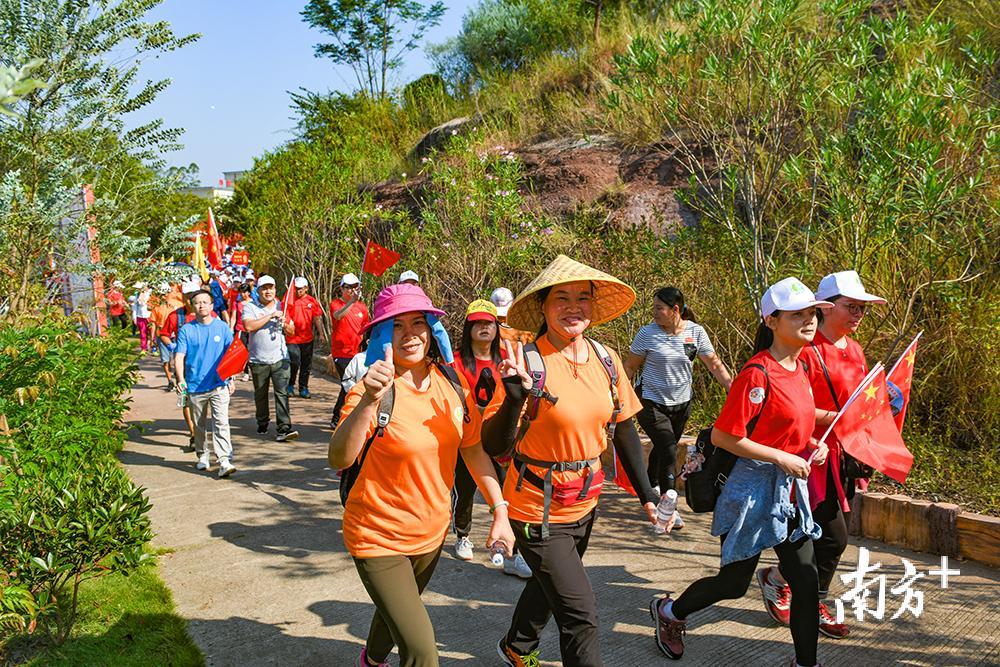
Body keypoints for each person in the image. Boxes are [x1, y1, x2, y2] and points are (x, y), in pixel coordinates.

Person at [482, 255, 659, 667]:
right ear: (543, 306)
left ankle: (517, 646)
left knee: (551, 585)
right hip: (536, 508)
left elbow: (624, 428)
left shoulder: (606, 359)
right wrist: (514, 399)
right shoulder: (526, 362)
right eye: (561, 298)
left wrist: (646, 495)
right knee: (581, 615)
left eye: (583, 297)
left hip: (584, 502)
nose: (573, 307)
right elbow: (493, 444)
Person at [329, 283, 514, 667]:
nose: (410, 333)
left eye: (418, 322)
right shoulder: (372, 389)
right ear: (382, 334)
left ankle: (370, 661)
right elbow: (339, 457)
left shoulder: (451, 383)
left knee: (397, 612)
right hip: (377, 535)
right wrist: (368, 400)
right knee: (422, 650)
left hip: (430, 535)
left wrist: (500, 510)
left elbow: (472, 448)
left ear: (432, 330)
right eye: (397, 325)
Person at [650, 277, 832, 667]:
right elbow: (725, 436)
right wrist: (781, 458)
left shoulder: (800, 367)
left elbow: (792, 427)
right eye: (797, 314)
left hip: (788, 494)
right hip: (750, 491)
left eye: (813, 313)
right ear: (771, 321)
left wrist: (813, 445)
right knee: (733, 584)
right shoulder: (757, 374)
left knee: (805, 580)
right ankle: (670, 612)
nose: (809, 320)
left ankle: (806, 662)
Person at [754, 270, 886, 642]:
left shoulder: (855, 349)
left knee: (829, 536)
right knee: (832, 538)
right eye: (850, 306)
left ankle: (781, 580)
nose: (858, 314)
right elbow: (791, 404)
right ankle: (809, 601)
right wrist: (832, 421)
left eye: (862, 308)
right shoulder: (807, 350)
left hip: (845, 455)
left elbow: (861, 401)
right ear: (825, 308)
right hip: (809, 455)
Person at [624, 287, 732, 525]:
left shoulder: (696, 332)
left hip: (682, 404)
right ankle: (668, 508)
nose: (654, 313)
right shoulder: (647, 334)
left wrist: (733, 390)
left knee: (665, 448)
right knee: (670, 450)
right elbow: (630, 366)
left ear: (675, 310)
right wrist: (618, 395)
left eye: (659, 308)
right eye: (653, 308)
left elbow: (714, 364)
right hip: (650, 401)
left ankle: (651, 483)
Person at [450, 299, 532, 579]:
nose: (484, 327)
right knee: (465, 489)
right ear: (468, 328)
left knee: (509, 494)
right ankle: (463, 535)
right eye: (478, 323)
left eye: (489, 323)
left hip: (502, 439)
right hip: (469, 437)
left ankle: (512, 552)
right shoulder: (456, 362)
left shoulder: (507, 360)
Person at [174, 289, 237, 477]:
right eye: (197, 303)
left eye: (205, 302)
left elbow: (231, 354)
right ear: (192, 306)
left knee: (221, 422)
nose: (201, 305)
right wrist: (181, 380)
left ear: (211, 305)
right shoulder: (187, 330)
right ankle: (202, 455)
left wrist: (231, 378)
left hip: (219, 384)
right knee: (199, 424)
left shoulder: (222, 328)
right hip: (195, 386)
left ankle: (224, 460)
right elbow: (179, 356)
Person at [243, 275, 300, 443]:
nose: (268, 291)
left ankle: (284, 428)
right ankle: (262, 422)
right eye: (264, 288)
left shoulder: (283, 306)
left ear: (275, 289)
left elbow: (292, 331)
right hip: (258, 360)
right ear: (258, 290)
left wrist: (285, 324)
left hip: (280, 359)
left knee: (282, 394)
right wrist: (270, 316)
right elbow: (248, 326)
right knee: (260, 394)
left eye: (271, 288)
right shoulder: (250, 307)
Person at [159, 282, 203, 451]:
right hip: (183, 363)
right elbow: (163, 334)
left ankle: (202, 430)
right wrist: (171, 345)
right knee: (186, 399)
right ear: (183, 297)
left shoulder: (209, 314)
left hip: (204, 363)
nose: (191, 299)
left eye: (194, 295)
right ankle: (193, 434)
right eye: (188, 296)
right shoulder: (175, 316)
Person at [329, 273, 370, 428]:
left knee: (349, 384)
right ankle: (341, 418)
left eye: (355, 287)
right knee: (349, 384)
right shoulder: (336, 304)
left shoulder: (362, 307)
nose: (352, 290)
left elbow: (365, 328)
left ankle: (338, 416)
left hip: (357, 353)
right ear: (342, 288)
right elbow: (338, 316)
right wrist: (352, 302)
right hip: (341, 353)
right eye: (349, 287)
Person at [286, 276, 324, 398]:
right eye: (296, 288)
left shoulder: (312, 301)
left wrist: (321, 333)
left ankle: (303, 388)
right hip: (292, 338)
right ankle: (290, 385)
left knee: (306, 365)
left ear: (306, 288)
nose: (298, 291)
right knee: (294, 361)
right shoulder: (289, 300)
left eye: (300, 288)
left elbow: (317, 318)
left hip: (307, 338)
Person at [150, 283, 177, 390]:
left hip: (174, 335)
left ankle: (179, 377)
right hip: (161, 336)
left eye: (166, 293)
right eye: (162, 294)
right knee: (165, 360)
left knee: (178, 358)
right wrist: (152, 339)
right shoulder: (156, 308)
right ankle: (170, 381)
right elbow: (153, 324)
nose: (164, 296)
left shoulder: (175, 305)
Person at [131, 282, 152, 352]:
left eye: (139, 288)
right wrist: (134, 317)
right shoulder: (136, 296)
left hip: (150, 317)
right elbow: (135, 308)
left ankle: (154, 348)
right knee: (143, 333)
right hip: (140, 317)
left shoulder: (150, 294)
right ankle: (143, 348)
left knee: (152, 333)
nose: (138, 289)